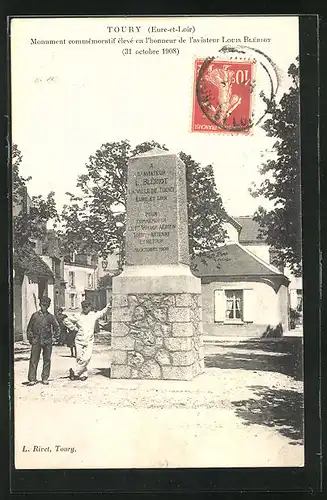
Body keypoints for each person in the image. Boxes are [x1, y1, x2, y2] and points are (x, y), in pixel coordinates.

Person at [69, 300, 110, 381]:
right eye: (83, 307)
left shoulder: (93, 315)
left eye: (87, 306)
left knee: (87, 358)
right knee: (79, 358)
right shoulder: (78, 316)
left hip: (89, 340)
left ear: (90, 307)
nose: (85, 308)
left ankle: (74, 371)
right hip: (79, 340)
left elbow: (103, 312)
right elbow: (66, 320)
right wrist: (73, 328)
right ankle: (83, 375)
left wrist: (109, 305)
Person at [26, 296, 60, 386]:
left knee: (47, 360)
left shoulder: (51, 317)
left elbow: (57, 327)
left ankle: (45, 378)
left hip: (47, 341)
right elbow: (29, 328)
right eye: (43, 305)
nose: (44, 307)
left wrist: (55, 338)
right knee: (34, 360)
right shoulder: (35, 316)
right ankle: (32, 379)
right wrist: (31, 338)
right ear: (40, 304)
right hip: (36, 341)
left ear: (48, 306)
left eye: (46, 305)